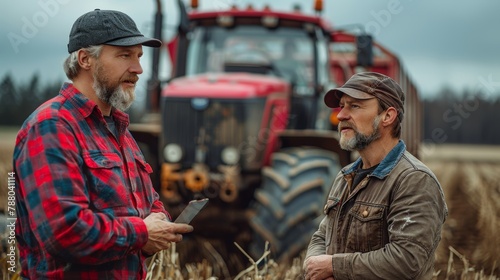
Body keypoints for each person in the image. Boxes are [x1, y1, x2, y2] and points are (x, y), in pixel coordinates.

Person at [13, 9, 193, 279]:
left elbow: (148, 203)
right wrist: (142, 233)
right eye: (124, 55)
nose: (138, 69)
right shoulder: (52, 126)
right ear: (85, 59)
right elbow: (65, 233)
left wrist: (159, 220)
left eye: (139, 57)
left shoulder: (118, 128)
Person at [303, 72, 448, 280]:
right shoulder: (346, 176)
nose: (341, 115)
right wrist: (315, 265)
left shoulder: (414, 180)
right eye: (342, 106)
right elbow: (321, 236)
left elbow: (407, 261)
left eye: (354, 106)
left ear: (387, 116)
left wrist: (335, 267)